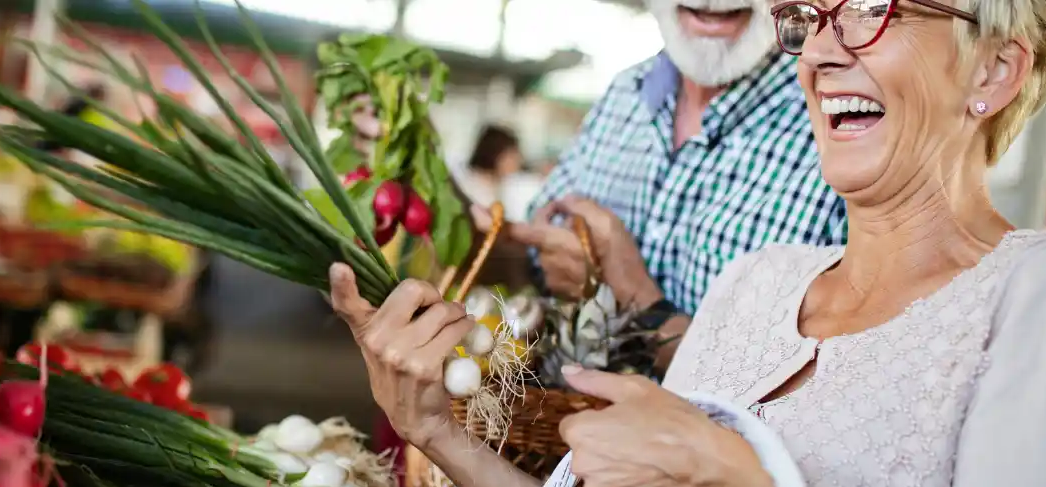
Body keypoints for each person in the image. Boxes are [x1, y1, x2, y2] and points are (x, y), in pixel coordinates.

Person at [330, 0, 1046, 487]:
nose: (819, 55)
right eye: (811, 17)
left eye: (867, 7)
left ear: (995, 69)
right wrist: (435, 429)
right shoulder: (754, 285)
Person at [356, 0, 845, 370]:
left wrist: (629, 292)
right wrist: (430, 192)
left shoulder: (839, 121)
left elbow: (820, 394)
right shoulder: (623, 94)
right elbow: (528, 272)